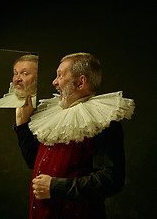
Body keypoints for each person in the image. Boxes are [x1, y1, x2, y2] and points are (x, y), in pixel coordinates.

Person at [14, 52, 135, 219]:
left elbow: (111, 179)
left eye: (60, 75)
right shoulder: (57, 114)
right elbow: (34, 161)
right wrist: (22, 124)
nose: (54, 82)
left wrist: (55, 187)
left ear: (80, 82)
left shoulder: (103, 121)